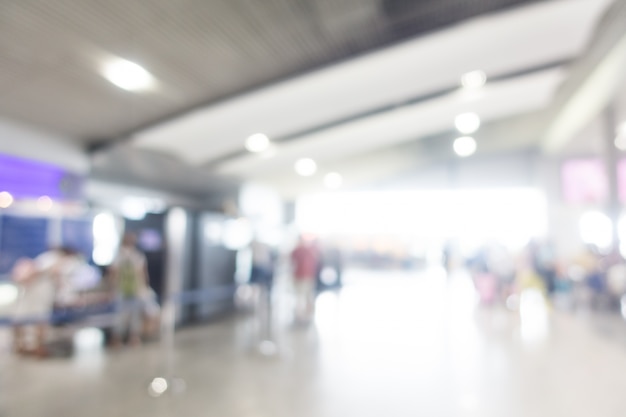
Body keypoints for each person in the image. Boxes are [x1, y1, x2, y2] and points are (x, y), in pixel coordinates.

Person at [11, 247, 79, 357]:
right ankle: (33, 347)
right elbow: (38, 271)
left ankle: (26, 346)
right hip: (38, 295)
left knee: (29, 320)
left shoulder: (48, 258)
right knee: (36, 320)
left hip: (36, 293)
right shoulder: (52, 258)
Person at [110, 232, 149, 347]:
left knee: (124, 315)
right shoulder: (135, 256)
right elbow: (142, 274)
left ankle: (123, 339)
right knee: (129, 315)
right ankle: (127, 338)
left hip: (128, 290)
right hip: (128, 289)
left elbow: (113, 273)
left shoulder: (121, 256)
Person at [290, 236, 320, 323]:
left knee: (307, 295)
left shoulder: (307, 250)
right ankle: (301, 313)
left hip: (307, 276)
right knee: (300, 295)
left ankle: (307, 313)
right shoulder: (298, 250)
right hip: (300, 276)